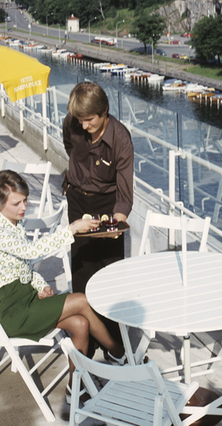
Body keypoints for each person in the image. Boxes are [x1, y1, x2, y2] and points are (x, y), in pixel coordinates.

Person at [0, 170, 125, 402]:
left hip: (23, 297)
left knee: (80, 324)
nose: (23, 207)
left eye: (25, 200)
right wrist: (73, 229)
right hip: (11, 311)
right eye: (16, 202)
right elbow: (30, 252)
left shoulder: (13, 224)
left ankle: (74, 388)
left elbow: (23, 262)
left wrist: (38, 283)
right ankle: (119, 354)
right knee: (82, 300)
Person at [62, 81, 134, 293]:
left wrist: (116, 223)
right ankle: (84, 322)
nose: (84, 126)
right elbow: (69, 146)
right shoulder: (71, 122)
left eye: (89, 120)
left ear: (104, 111)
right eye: (80, 121)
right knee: (81, 263)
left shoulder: (121, 140)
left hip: (107, 205)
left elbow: (125, 190)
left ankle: (111, 325)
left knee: (108, 266)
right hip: (76, 199)